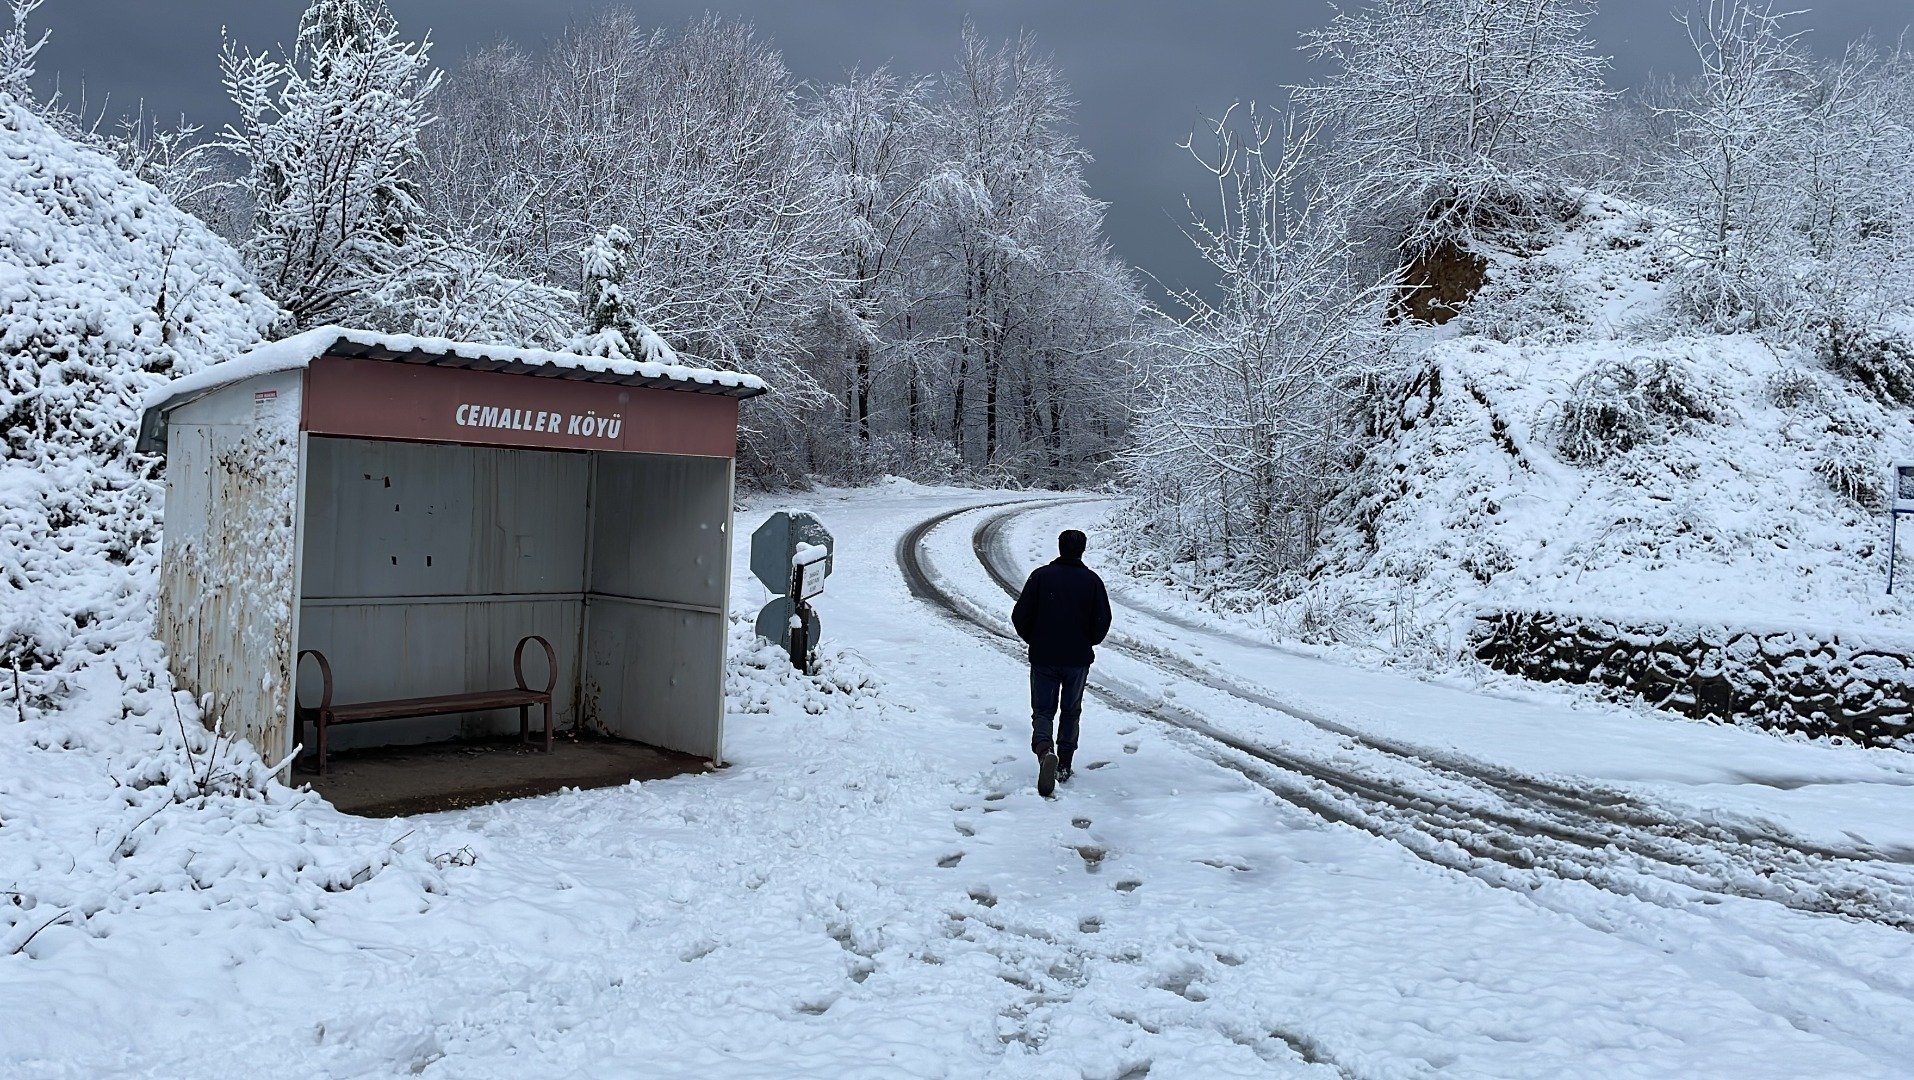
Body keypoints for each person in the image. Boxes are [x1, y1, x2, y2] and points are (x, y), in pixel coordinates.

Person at [1010, 529, 1112, 798]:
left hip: (1044, 655)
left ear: (1059, 547)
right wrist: (1086, 641)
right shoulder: (1092, 581)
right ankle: (1064, 763)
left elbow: (1020, 615)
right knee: (1071, 710)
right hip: (1077, 659)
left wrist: (1035, 638)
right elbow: (1103, 621)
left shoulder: (1041, 577)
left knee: (1043, 711)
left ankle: (1045, 751)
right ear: (1083, 549)